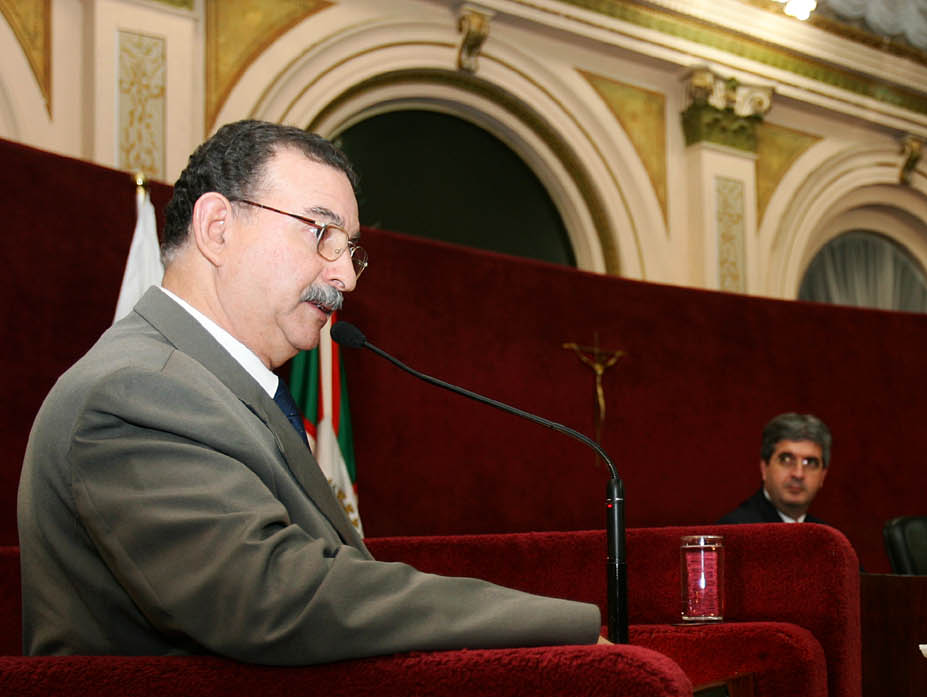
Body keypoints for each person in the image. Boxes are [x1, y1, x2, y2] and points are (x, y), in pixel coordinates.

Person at [18, 120, 603, 661]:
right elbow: (272, 593)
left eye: (351, 249)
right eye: (322, 233)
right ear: (217, 228)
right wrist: (551, 626)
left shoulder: (222, 388)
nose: (344, 276)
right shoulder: (136, 390)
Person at [719, 412, 831, 524]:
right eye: (786, 460)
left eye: (810, 463)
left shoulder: (826, 536)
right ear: (764, 468)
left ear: (823, 476)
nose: (798, 474)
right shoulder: (736, 531)